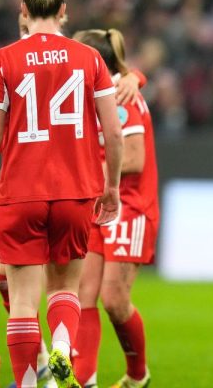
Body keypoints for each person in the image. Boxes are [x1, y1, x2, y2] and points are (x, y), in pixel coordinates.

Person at [0, 0, 123, 388]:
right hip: (75, 192)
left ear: (23, 9)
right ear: (63, 9)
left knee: (23, 303)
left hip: (19, 193)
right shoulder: (89, 59)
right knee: (66, 288)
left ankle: (30, 382)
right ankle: (64, 343)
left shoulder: (4, 59)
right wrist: (112, 187)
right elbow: (114, 132)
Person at [71, 29, 159, 388]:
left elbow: (135, 159)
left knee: (114, 300)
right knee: (84, 294)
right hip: (97, 204)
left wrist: (85, 167)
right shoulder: (96, 92)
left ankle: (138, 375)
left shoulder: (122, 97)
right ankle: (84, 377)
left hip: (129, 207)